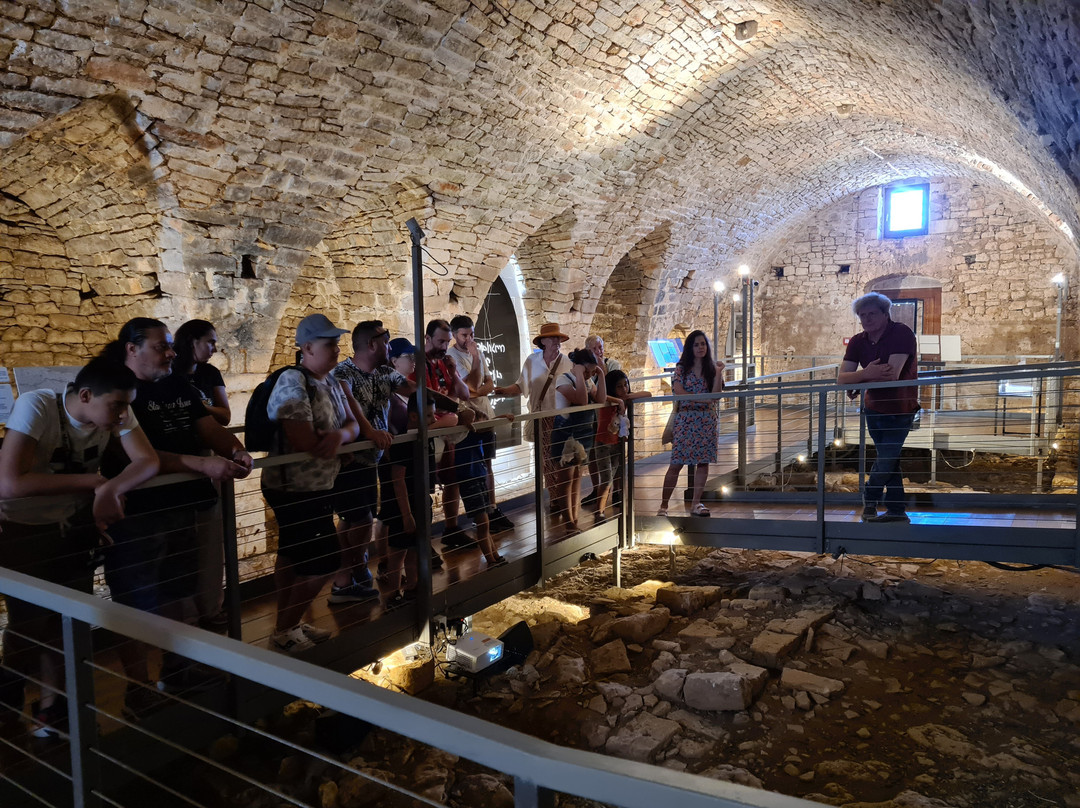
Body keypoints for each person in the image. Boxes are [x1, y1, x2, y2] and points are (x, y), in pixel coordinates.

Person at [0, 357, 159, 737]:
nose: (122, 417)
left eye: (126, 407)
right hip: (22, 530)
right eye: (116, 406)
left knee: (66, 622)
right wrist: (94, 482)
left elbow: (147, 460)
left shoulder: (114, 410)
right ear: (85, 395)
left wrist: (109, 488)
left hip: (72, 529)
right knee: (28, 626)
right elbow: (10, 483)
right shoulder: (38, 405)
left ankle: (54, 710)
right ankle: (8, 701)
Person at [101, 318, 253, 713]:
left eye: (170, 345)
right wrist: (201, 465)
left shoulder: (177, 384)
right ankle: (137, 688)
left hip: (182, 505)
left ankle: (178, 668)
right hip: (137, 512)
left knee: (178, 591)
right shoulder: (114, 390)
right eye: (161, 347)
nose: (171, 353)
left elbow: (207, 426)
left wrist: (235, 449)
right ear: (131, 349)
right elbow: (133, 455)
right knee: (135, 599)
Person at [262, 314, 360, 652]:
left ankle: (288, 626)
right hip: (294, 488)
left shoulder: (329, 381)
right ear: (307, 347)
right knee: (324, 562)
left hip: (318, 485)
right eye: (329, 344)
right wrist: (335, 439)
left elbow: (352, 424)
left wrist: (337, 437)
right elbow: (302, 438)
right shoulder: (292, 380)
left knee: (292, 554)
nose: (336, 350)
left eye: (336, 343)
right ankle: (284, 630)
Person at [838, 292, 919, 523]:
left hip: (900, 407)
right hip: (873, 407)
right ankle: (896, 510)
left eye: (872, 314)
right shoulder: (857, 341)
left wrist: (859, 379)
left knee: (887, 457)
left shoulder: (901, 333)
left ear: (885, 314)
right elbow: (842, 379)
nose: (867, 319)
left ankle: (870, 496)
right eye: (862, 315)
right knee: (889, 458)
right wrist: (866, 374)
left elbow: (891, 376)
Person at [329, 320, 395, 604]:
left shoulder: (382, 372)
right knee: (361, 519)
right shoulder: (342, 373)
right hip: (350, 459)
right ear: (371, 344)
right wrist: (369, 433)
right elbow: (348, 405)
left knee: (352, 520)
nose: (389, 347)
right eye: (386, 341)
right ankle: (351, 572)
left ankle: (347, 579)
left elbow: (408, 391)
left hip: (368, 459)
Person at [173, 319, 231, 631]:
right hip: (178, 461)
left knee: (210, 538)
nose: (214, 348)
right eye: (209, 341)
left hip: (206, 458)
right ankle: (187, 615)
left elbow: (225, 415)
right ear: (191, 341)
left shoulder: (209, 374)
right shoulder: (170, 374)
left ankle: (210, 607)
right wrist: (202, 409)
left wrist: (195, 407)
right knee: (179, 542)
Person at [494, 323, 572, 517]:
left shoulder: (566, 363)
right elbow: (521, 386)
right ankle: (555, 498)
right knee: (546, 460)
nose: (557, 341)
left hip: (562, 418)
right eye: (553, 338)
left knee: (561, 459)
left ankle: (564, 498)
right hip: (541, 417)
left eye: (558, 338)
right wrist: (504, 390)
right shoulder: (532, 361)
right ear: (543, 341)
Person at [446, 315, 515, 534]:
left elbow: (488, 384)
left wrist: (476, 390)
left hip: (486, 416)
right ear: (454, 335)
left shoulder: (479, 353)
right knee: (467, 472)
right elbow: (473, 384)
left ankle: (491, 509)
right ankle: (477, 516)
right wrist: (475, 360)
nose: (469, 339)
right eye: (464, 335)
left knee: (488, 464)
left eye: (471, 334)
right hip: (468, 421)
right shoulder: (451, 356)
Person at [414, 319, 473, 550]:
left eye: (447, 342)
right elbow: (426, 395)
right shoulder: (416, 363)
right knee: (423, 489)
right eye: (440, 341)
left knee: (452, 480)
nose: (444, 347)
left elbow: (464, 394)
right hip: (431, 430)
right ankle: (422, 542)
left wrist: (452, 373)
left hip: (447, 432)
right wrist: (455, 410)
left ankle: (451, 527)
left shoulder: (443, 363)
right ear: (427, 338)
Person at [657, 330, 725, 517]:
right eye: (696, 344)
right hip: (686, 420)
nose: (700, 347)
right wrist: (703, 399)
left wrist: (718, 373)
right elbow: (678, 390)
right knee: (676, 463)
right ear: (690, 348)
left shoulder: (711, 368)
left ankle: (696, 503)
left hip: (706, 421)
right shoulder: (682, 368)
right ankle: (664, 505)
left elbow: (716, 394)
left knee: (703, 462)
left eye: (703, 344)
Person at [550, 348, 607, 532]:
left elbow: (601, 399)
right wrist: (580, 374)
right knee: (566, 479)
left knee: (577, 478)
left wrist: (601, 375)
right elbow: (582, 400)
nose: (590, 374)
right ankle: (568, 523)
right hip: (565, 435)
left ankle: (574, 520)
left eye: (592, 371)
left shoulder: (588, 380)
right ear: (577, 366)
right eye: (587, 370)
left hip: (582, 435)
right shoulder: (563, 379)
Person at [593, 369, 651, 515]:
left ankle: (603, 509)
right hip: (603, 444)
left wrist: (626, 396)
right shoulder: (608, 400)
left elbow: (648, 394)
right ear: (612, 387)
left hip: (617, 443)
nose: (624, 389)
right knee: (606, 480)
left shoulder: (625, 398)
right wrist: (619, 400)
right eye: (619, 386)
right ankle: (599, 512)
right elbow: (599, 396)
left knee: (615, 476)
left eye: (626, 384)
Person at [173, 319, 230, 426]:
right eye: (211, 343)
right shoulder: (168, 373)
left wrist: (195, 404)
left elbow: (225, 417)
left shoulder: (211, 372)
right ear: (192, 341)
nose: (215, 350)